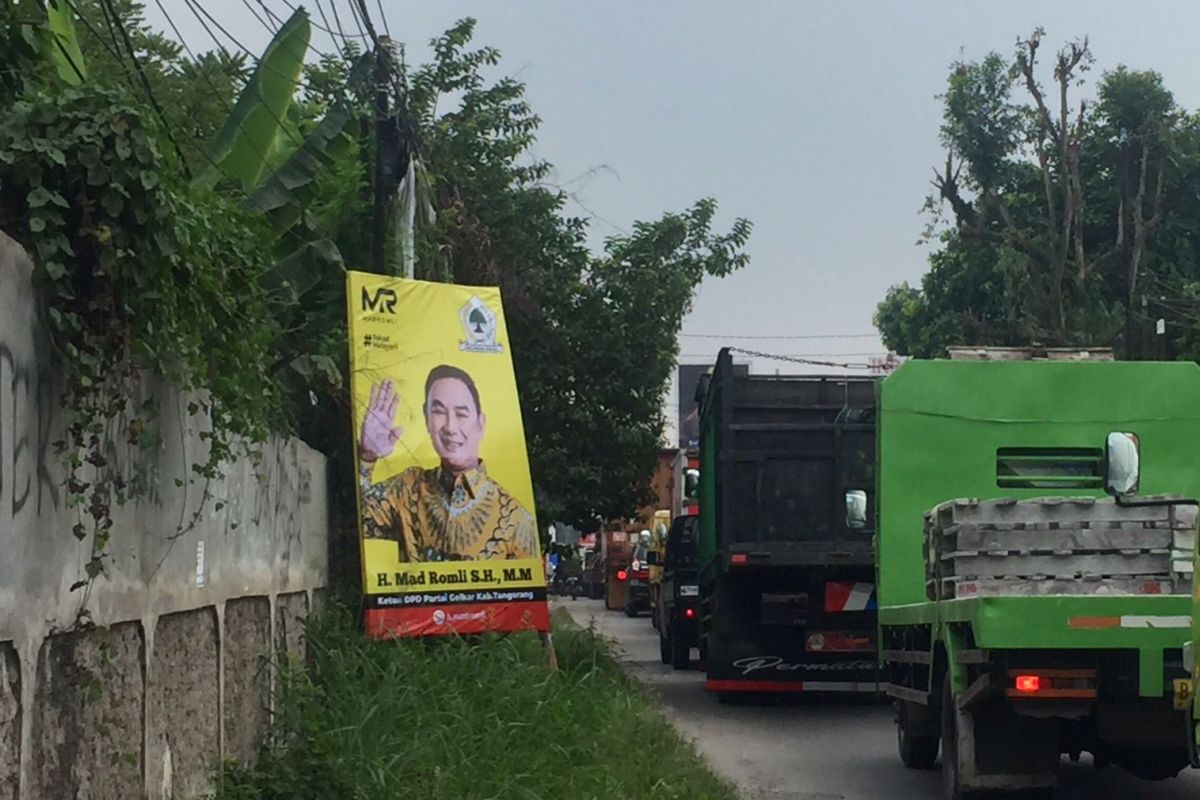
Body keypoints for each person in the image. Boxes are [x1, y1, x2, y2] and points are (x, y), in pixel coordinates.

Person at [357, 365, 538, 561]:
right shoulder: (408, 489)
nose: (450, 427)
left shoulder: (515, 519)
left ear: (480, 423)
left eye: (461, 414)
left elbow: (526, 588)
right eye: (439, 412)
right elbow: (353, 522)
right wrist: (367, 457)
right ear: (426, 419)